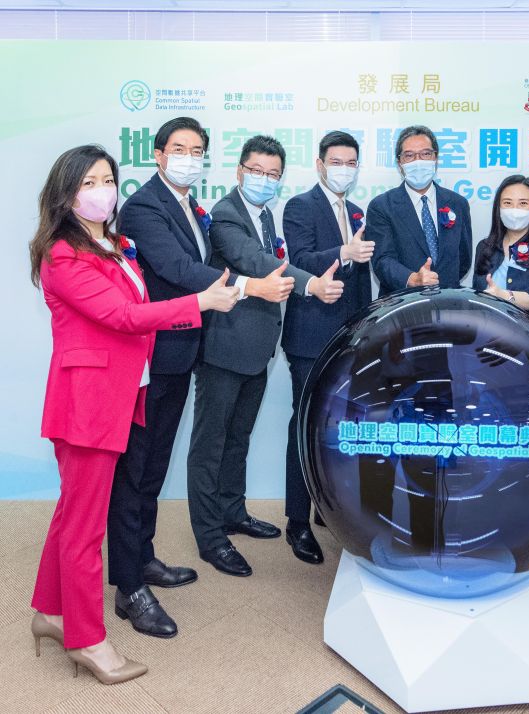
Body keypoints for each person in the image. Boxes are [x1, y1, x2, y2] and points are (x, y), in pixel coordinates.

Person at [28, 144, 239, 684]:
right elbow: (122, 316)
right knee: (84, 526)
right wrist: (200, 303)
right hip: (88, 405)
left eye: (107, 179)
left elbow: (136, 314)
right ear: (66, 193)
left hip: (124, 394)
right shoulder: (62, 253)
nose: (101, 190)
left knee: (72, 513)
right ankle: (87, 640)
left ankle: (50, 613)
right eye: (88, 183)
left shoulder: (115, 244)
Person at [107, 117, 291, 638]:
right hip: (153, 353)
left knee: (155, 464)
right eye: (178, 149)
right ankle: (128, 587)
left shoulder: (192, 206)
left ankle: (143, 560)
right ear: (159, 155)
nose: (188, 157)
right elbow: (179, 269)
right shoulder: (144, 206)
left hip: (182, 349)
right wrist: (251, 286)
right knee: (135, 470)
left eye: (197, 150)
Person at [187, 135, 344, 577]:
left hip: (256, 348)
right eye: (256, 171)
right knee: (210, 443)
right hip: (225, 346)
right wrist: (311, 283)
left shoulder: (266, 213)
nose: (264, 180)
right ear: (239, 172)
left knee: (238, 437)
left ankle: (232, 511)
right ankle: (209, 536)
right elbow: (255, 262)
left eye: (273, 174)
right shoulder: (225, 215)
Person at [281, 130, 373, 564]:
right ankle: (296, 522)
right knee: (306, 423)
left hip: (349, 337)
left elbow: (360, 279)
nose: (343, 169)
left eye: (351, 163)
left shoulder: (357, 211)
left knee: (339, 426)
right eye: (336, 161)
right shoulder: (300, 206)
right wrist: (344, 250)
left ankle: (325, 507)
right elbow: (298, 258)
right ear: (319, 164)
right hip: (309, 335)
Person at [369, 125, 472, 296]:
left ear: (435, 158)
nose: (418, 161)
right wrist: (412, 279)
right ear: (399, 163)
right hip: (401, 305)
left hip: (448, 303)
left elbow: (464, 260)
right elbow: (382, 260)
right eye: (409, 155)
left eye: (425, 154)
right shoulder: (381, 206)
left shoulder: (458, 204)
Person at [473, 175, 529, 342]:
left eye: (523, 203)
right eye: (507, 203)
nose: (515, 209)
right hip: (488, 341)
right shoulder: (485, 247)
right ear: (498, 207)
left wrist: (504, 295)